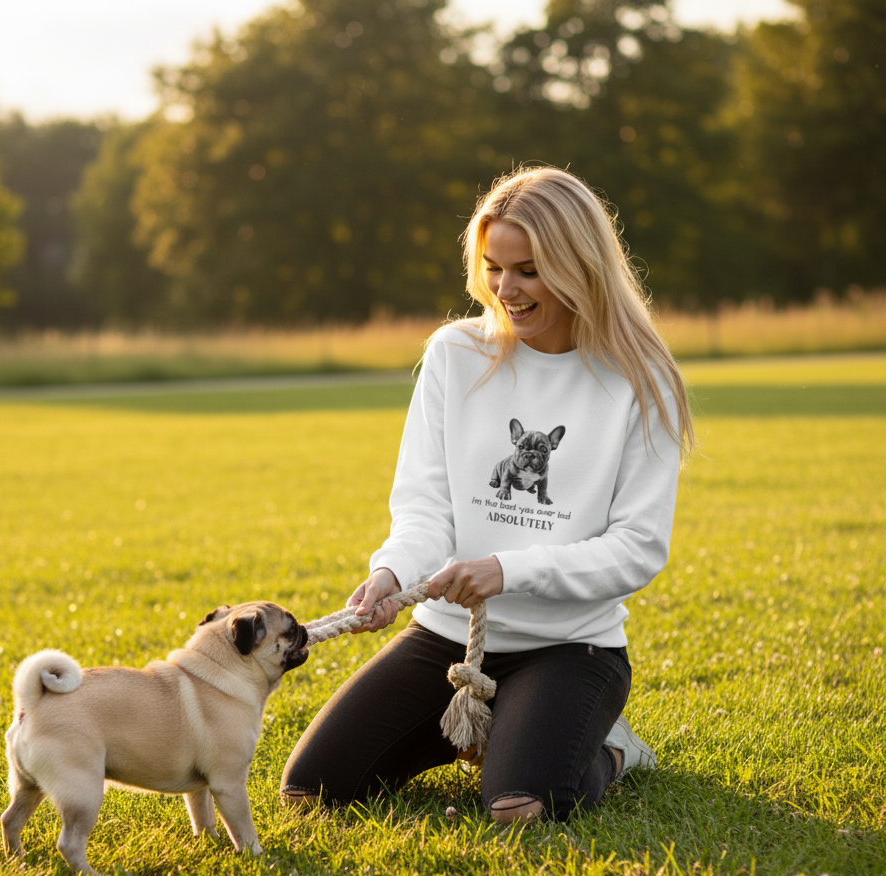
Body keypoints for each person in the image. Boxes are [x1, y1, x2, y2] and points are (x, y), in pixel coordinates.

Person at [281, 166, 694, 824]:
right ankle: (493, 727)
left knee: (519, 805)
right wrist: (392, 572)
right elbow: (425, 506)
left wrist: (505, 570)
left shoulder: (641, 382)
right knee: (313, 789)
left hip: (570, 648)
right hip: (447, 640)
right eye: (494, 267)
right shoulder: (455, 354)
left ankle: (612, 750)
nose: (507, 289)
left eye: (528, 269)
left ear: (581, 265)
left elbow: (637, 549)